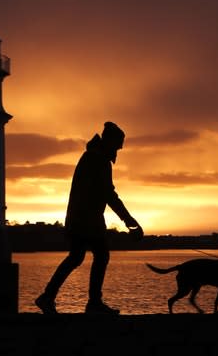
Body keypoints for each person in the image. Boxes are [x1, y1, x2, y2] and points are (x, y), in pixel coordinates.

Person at [35, 121, 143, 314]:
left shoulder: (92, 157)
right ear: (110, 141)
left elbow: (104, 193)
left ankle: (48, 296)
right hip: (87, 219)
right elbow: (108, 194)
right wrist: (128, 219)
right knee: (100, 255)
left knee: (76, 257)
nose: (121, 148)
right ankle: (92, 303)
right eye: (119, 144)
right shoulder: (98, 160)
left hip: (80, 218)